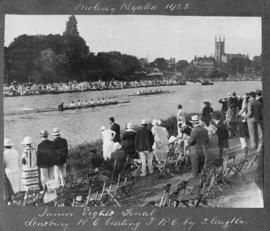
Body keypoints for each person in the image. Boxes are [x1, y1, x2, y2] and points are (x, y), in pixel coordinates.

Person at [237, 94, 250, 159]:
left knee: (243, 143)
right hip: (246, 129)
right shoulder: (248, 106)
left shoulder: (242, 116)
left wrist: (240, 113)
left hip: (243, 131)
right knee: (246, 142)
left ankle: (245, 155)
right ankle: (245, 154)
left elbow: (243, 108)